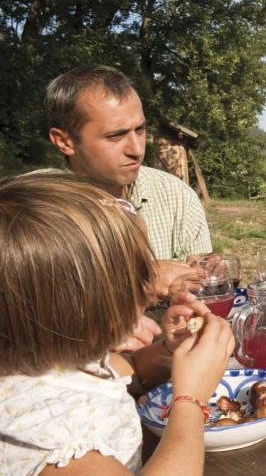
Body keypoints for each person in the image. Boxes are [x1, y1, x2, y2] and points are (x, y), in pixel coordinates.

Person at [0, 172, 235, 475]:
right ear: (85, 306)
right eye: (137, 277)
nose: (149, 293)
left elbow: (131, 372)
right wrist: (190, 399)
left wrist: (170, 351)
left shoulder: (50, 361)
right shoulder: (48, 431)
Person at [46, 65, 212, 263]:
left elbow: (204, 284)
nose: (137, 150)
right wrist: (148, 283)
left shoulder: (177, 196)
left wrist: (207, 275)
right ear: (64, 141)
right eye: (115, 136)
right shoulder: (28, 211)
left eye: (140, 130)